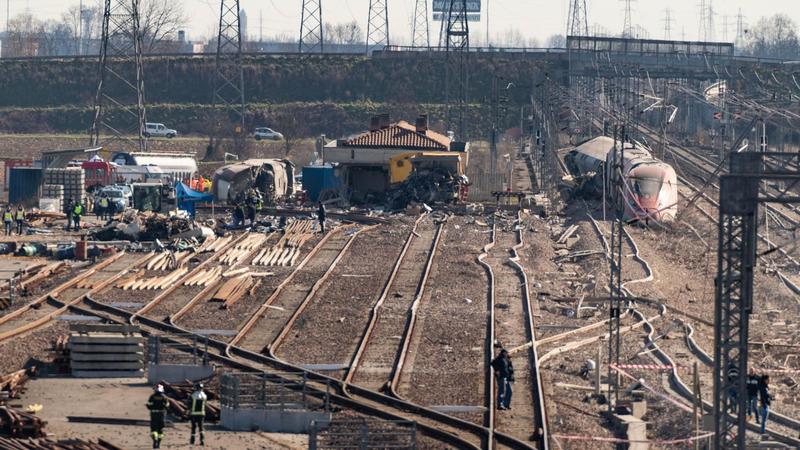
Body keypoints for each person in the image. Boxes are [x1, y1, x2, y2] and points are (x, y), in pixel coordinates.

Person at [146, 384, 169, 449]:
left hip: (154, 414)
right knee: (160, 430)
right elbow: (167, 406)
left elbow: (148, 405)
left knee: (153, 429)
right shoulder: (164, 397)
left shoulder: (152, 396)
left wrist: (152, 408)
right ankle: (158, 443)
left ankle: (155, 440)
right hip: (161, 414)